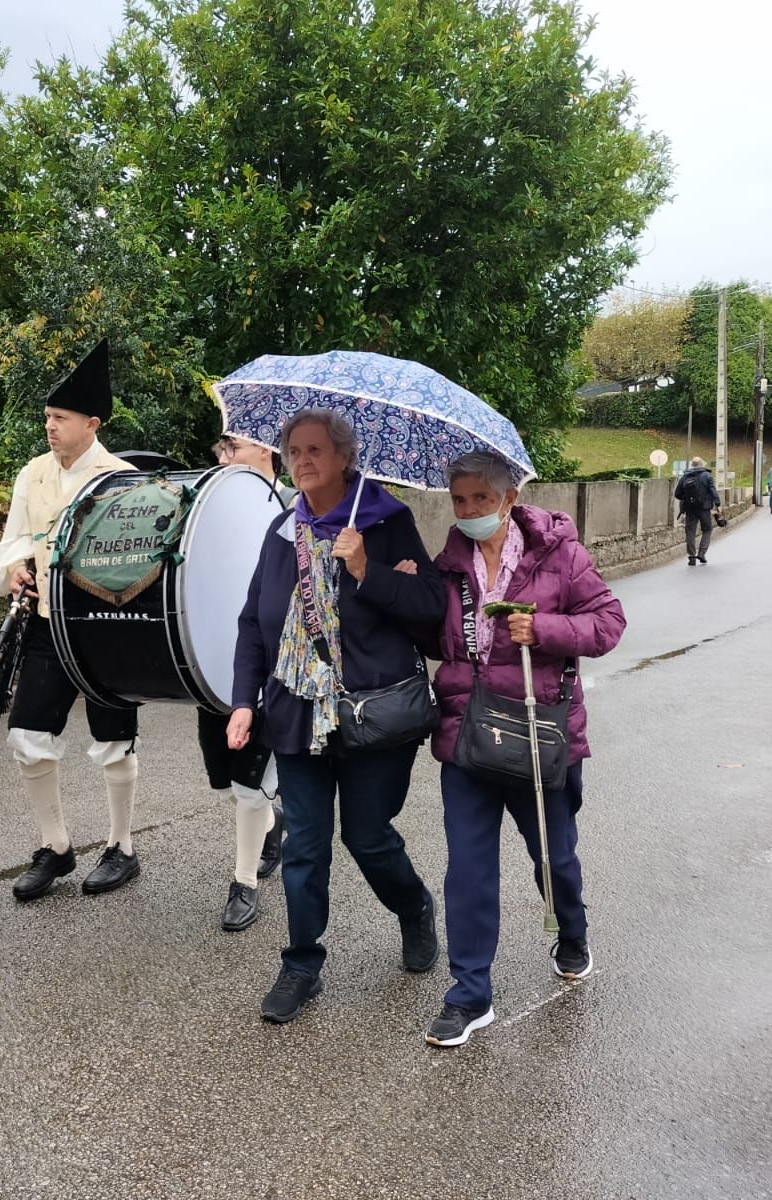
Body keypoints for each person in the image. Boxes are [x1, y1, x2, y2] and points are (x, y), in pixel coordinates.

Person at [228, 408, 446, 1024]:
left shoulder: (387, 521)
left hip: (373, 712)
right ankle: (301, 964)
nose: (301, 461)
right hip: (297, 710)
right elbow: (254, 623)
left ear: (346, 457)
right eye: (293, 451)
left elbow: (432, 610)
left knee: (367, 836)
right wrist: (245, 700)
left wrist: (366, 571)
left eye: (315, 450)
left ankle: (413, 908)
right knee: (305, 846)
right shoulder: (281, 531)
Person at [420, 450, 625, 1047]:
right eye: (459, 501)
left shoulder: (559, 554)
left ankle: (571, 934)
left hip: (540, 733)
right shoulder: (449, 564)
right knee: (468, 869)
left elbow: (609, 622)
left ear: (510, 497)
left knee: (554, 857)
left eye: (481, 499)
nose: (469, 511)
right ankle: (469, 994)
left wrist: (546, 629)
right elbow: (430, 634)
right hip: (467, 733)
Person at [0, 340, 144, 901]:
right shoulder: (31, 473)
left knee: (113, 742)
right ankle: (55, 848)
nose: (50, 427)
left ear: (92, 423)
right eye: (48, 418)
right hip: (45, 623)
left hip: (105, 628)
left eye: (60, 419)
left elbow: (136, 561)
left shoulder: (123, 478)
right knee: (29, 736)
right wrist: (12, 573)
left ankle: (121, 846)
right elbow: (12, 543)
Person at [199, 434, 290, 931]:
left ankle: (243, 883)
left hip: (276, 669)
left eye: (232, 447)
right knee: (226, 778)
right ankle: (274, 825)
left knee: (248, 784)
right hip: (223, 660)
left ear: (265, 450)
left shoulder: (296, 508)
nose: (224, 458)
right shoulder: (213, 503)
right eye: (221, 450)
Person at [674, 456, 721, 565]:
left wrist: (688, 499)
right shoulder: (707, 475)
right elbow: (713, 491)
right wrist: (718, 504)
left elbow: (677, 494)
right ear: (702, 465)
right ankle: (702, 553)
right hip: (704, 508)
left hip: (690, 509)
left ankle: (691, 556)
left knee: (690, 532)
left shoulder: (685, 476)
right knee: (707, 530)